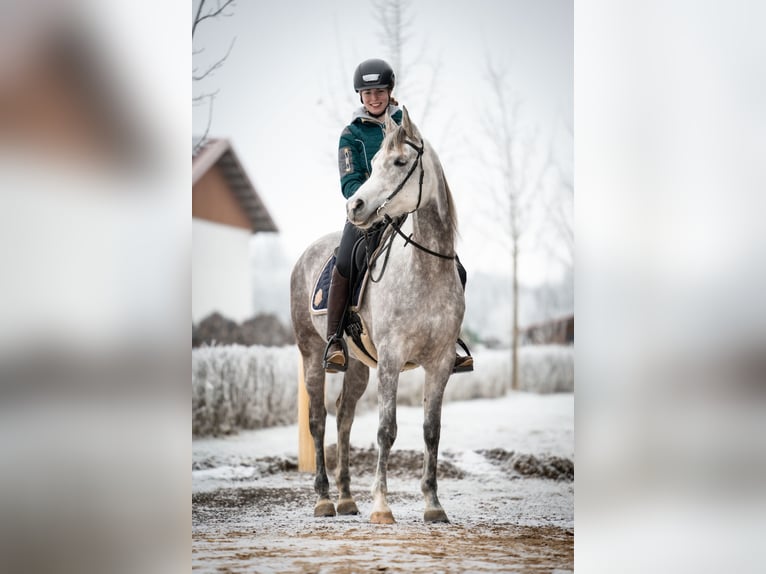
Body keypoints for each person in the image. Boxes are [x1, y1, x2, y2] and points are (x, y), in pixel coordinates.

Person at [324, 58, 473, 375]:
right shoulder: (350, 135)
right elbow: (350, 183)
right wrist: (375, 200)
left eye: (379, 91)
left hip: (405, 211)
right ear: (360, 97)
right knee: (346, 260)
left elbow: (420, 171)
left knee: (455, 267)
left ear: (390, 91)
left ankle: (449, 339)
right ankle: (334, 340)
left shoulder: (406, 129)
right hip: (368, 213)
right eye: (367, 92)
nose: (374, 98)